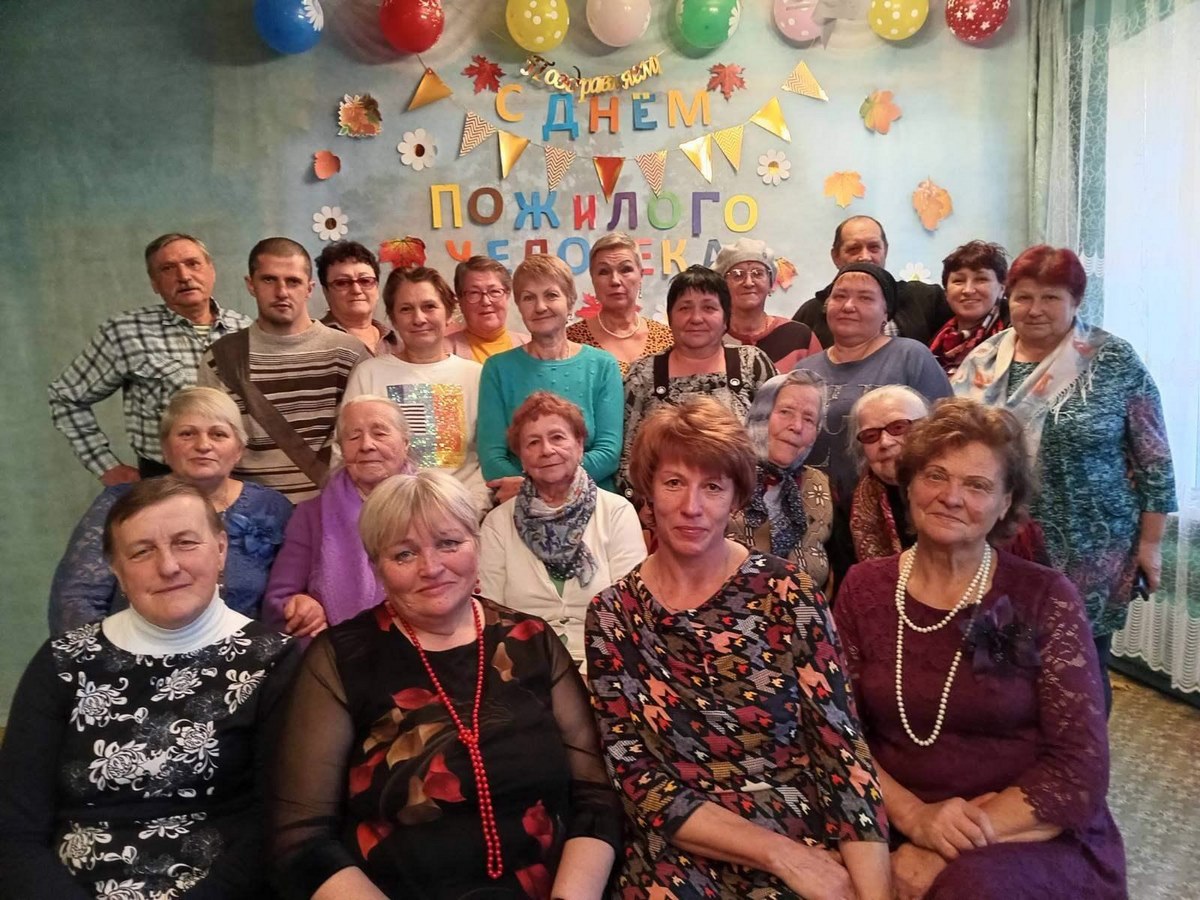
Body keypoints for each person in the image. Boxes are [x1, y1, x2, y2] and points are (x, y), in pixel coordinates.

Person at [587, 398, 891, 899]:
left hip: (799, 819)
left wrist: (871, 892)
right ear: (648, 492)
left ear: (735, 498)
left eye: (712, 487)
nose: (691, 506)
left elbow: (841, 751)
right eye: (673, 483)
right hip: (684, 840)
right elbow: (635, 775)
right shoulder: (612, 613)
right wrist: (782, 856)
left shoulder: (788, 593)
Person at [269, 470, 622, 899]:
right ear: (376, 567)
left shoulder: (533, 641)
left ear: (477, 544)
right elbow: (302, 839)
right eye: (404, 554)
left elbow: (594, 797)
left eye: (449, 543)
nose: (432, 568)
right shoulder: (339, 659)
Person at [834, 399, 1127, 899]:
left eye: (977, 485)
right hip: (888, 813)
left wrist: (942, 847)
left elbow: (1079, 768)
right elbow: (840, 736)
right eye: (935, 476)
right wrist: (917, 820)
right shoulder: (864, 588)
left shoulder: (1044, 596)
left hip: (1027, 828)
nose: (951, 497)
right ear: (910, 484)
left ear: (1005, 503)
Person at [0, 477, 298, 900]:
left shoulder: (274, 661)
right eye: (142, 551)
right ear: (117, 570)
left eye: (185, 543)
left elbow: (275, 826)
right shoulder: (63, 662)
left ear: (220, 549)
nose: (168, 566)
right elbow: (15, 828)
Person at [953, 245, 1176, 710]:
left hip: (1092, 549)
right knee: (1001, 663)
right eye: (1023, 297)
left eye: (1051, 298)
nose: (1034, 309)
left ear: (1076, 301)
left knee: (1080, 670)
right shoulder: (983, 360)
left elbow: (1155, 460)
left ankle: (1082, 753)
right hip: (999, 542)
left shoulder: (1113, 360)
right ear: (1008, 298)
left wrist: (1150, 546)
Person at [50, 386, 293, 631]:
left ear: (239, 449)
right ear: (165, 449)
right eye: (187, 434)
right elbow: (74, 601)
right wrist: (108, 653)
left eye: (218, 434)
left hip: (245, 651)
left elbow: (289, 595)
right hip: (135, 649)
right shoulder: (121, 503)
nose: (203, 445)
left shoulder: (272, 508)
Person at [49, 232, 251, 483]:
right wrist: (106, 466)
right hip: (164, 481)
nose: (184, 276)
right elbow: (65, 396)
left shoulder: (246, 330)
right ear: (155, 283)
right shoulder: (126, 333)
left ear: (211, 271)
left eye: (193, 263)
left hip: (241, 478)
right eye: (168, 268)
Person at [478, 392, 645, 665]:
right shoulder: (498, 523)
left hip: (605, 658)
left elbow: (630, 607)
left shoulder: (616, 512)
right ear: (521, 458)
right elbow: (491, 613)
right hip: (526, 664)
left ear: (579, 445)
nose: (547, 450)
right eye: (533, 442)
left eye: (557, 437)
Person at [198, 237, 369, 502]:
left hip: (330, 510)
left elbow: (364, 441)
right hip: (253, 514)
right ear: (251, 284)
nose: (281, 292)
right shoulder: (220, 358)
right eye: (269, 280)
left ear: (309, 288)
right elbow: (211, 446)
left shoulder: (348, 353)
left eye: (293, 281)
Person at [795, 262, 952, 512]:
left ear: (886, 313)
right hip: (815, 511)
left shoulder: (911, 356)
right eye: (840, 296)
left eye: (865, 298)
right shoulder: (805, 369)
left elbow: (946, 434)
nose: (848, 306)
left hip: (894, 509)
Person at [262, 395, 416, 637]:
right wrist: (300, 606)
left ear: (405, 443)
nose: (367, 445)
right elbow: (279, 598)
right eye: (353, 437)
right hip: (334, 646)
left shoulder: (433, 506)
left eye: (380, 433)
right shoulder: (310, 515)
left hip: (423, 642)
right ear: (342, 449)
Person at [619, 265, 776, 499]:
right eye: (685, 308)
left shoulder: (752, 364)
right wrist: (645, 507)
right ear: (670, 317)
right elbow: (626, 458)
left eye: (709, 308)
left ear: (726, 318)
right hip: (663, 510)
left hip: (748, 507)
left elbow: (776, 441)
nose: (696, 318)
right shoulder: (643, 374)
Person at [344, 265, 489, 515]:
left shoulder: (475, 376)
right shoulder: (369, 374)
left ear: (448, 313)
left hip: (461, 516)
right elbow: (346, 454)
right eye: (406, 309)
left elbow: (488, 457)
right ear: (393, 318)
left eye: (429, 306)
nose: (419, 318)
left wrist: (468, 511)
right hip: (387, 517)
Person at [477, 254, 623, 502]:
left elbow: (608, 452)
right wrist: (535, 491)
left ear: (570, 301)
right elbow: (492, 458)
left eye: (551, 295)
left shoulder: (602, 365)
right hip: (520, 504)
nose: (540, 306)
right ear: (519, 306)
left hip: (594, 501)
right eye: (529, 297)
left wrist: (546, 486)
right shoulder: (497, 369)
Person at [728, 369, 833, 591]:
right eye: (785, 412)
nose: (797, 426)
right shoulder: (724, 474)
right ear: (761, 414)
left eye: (809, 419)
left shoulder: (819, 484)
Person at [792, 216, 951, 347]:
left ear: (885, 251)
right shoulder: (810, 314)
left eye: (874, 247)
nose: (865, 257)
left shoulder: (926, 299)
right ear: (836, 257)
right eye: (854, 249)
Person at [844, 385, 932, 564]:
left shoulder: (955, 494)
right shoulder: (848, 508)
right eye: (870, 436)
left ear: (928, 430)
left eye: (898, 427)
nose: (885, 442)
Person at [565, 232, 673, 375]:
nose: (615, 281)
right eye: (604, 272)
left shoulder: (667, 339)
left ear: (641, 275)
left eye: (625, 269)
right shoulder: (570, 341)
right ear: (593, 278)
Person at [713, 237, 821, 370]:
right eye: (738, 274)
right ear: (723, 286)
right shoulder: (710, 337)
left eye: (758, 274)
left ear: (770, 283)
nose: (748, 283)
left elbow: (819, 382)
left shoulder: (799, 337)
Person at [929, 240, 1010, 375]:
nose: (968, 290)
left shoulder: (1014, 336)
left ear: (1002, 289)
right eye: (958, 281)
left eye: (981, 279)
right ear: (946, 292)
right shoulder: (935, 337)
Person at [315, 240, 400, 357]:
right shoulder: (314, 341)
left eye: (365, 281)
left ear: (377, 288)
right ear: (326, 292)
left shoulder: (397, 341)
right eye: (342, 283)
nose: (356, 290)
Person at [447, 255, 530, 363]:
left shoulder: (531, 346)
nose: (486, 301)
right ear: (460, 300)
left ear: (508, 295)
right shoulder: (443, 352)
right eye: (474, 293)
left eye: (494, 291)